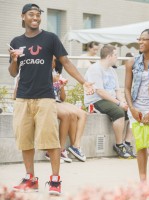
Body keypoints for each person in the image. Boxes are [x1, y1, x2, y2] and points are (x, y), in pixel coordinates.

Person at [8, 3, 93, 195]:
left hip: (45, 98)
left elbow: (66, 62)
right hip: (22, 98)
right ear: (23, 17)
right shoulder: (16, 41)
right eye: (31, 14)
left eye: (38, 14)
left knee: (52, 141)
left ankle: (55, 181)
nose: (35, 17)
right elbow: (13, 73)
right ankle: (30, 179)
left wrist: (84, 82)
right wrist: (14, 60)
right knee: (25, 141)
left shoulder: (50, 38)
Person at [124, 29, 149, 181]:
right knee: (140, 145)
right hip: (136, 110)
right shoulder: (131, 62)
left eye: (144, 39)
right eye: (139, 39)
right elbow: (127, 88)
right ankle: (142, 181)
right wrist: (132, 109)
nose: (140, 42)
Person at [84, 44, 134, 159]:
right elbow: (100, 92)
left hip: (110, 100)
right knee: (119, 112)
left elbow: (117, 90)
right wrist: (118, 103)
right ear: (109, 56)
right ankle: (119, 145)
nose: (117, 57)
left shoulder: (112, 70)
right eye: (116, 55)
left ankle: (127, 143)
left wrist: (123, 102)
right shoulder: (95, 69)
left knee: (130, 112)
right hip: (96, 101)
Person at [46, 58, 87, 163]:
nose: (52, 62)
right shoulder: (43, 73)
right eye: (51, 59)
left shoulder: (57, 73)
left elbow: (63, 98)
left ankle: (75, 145)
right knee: (69, 114)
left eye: (54, 60)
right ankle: (60, 149)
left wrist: (62, 86)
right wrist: (52, 80)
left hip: (58, 101)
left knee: (81, 114)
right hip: (48, 101)